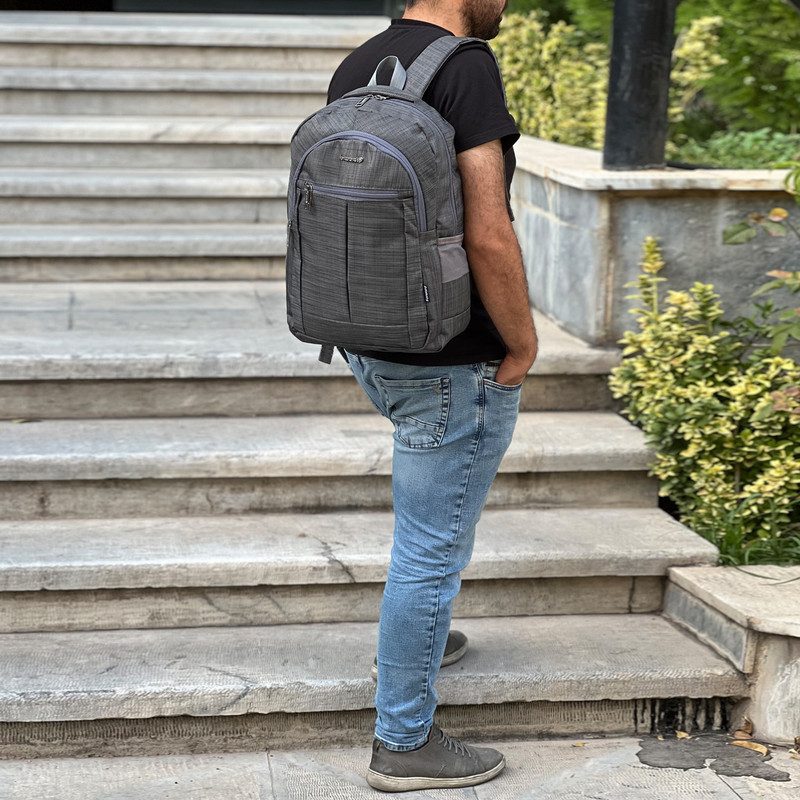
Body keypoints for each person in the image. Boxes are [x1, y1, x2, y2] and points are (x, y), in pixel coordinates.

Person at [327, 0, 538, 791]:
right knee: (429, 552)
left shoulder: (361, 63)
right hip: (454, 359)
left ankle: (414, 639)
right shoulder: (465, 65)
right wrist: (523, 342)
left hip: (370, 341)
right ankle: (404, 742)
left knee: (424, 542)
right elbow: (489, 230)